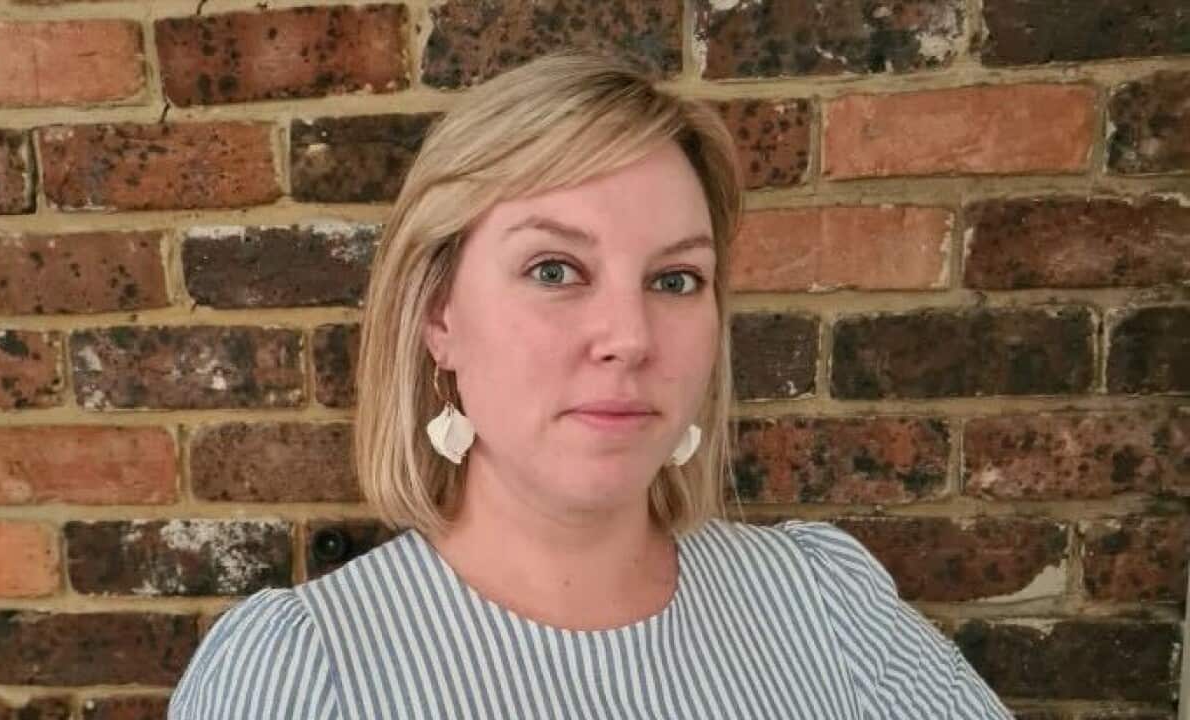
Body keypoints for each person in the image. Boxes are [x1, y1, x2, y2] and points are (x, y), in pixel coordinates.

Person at [168, 52, 1014, 719]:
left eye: (675, 280)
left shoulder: (824, 603)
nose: (630, 338)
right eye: (554, 269)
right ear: (437, 316)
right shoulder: (303, 675)